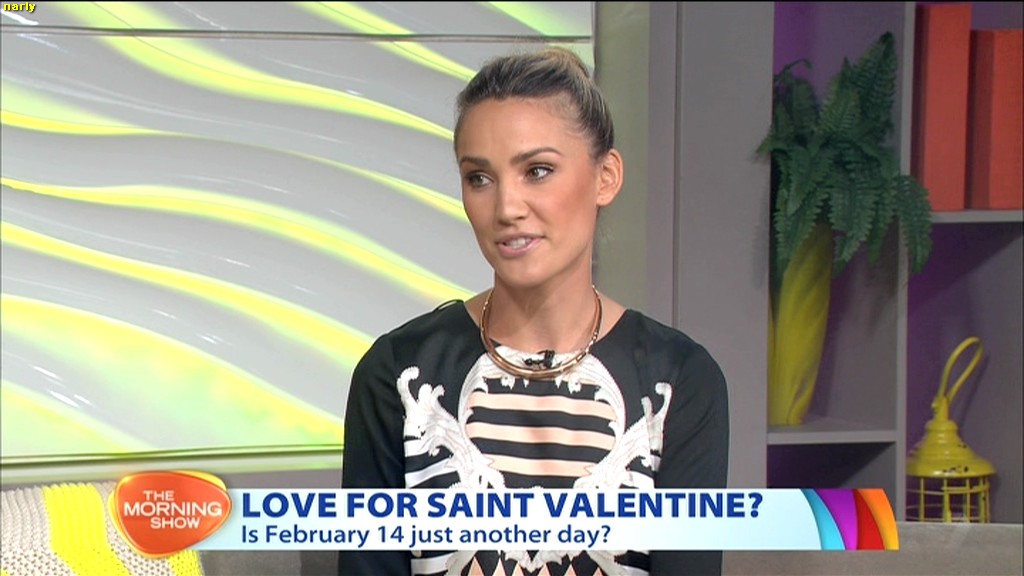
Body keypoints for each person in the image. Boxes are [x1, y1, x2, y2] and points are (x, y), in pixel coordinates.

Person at [339, 46, 730, 576]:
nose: (506, 208)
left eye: (538, 171)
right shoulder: (398, 374)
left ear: (605, 176)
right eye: (479, 178)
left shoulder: (679, 380)